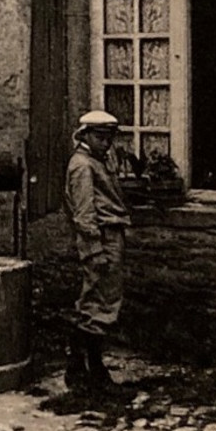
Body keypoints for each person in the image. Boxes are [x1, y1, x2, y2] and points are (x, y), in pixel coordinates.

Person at [63, 109, 131, 394]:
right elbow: (83, 213)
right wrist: (94, 250)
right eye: (100, 137)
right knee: (98, 301)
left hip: (110, 234)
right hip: (100, 237)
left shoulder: (99, 162)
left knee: (103, 299)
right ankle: (86, 369)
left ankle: (85, 367)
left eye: (109, 138)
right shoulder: (82, 166)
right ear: (86, 136)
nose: (105, 143)